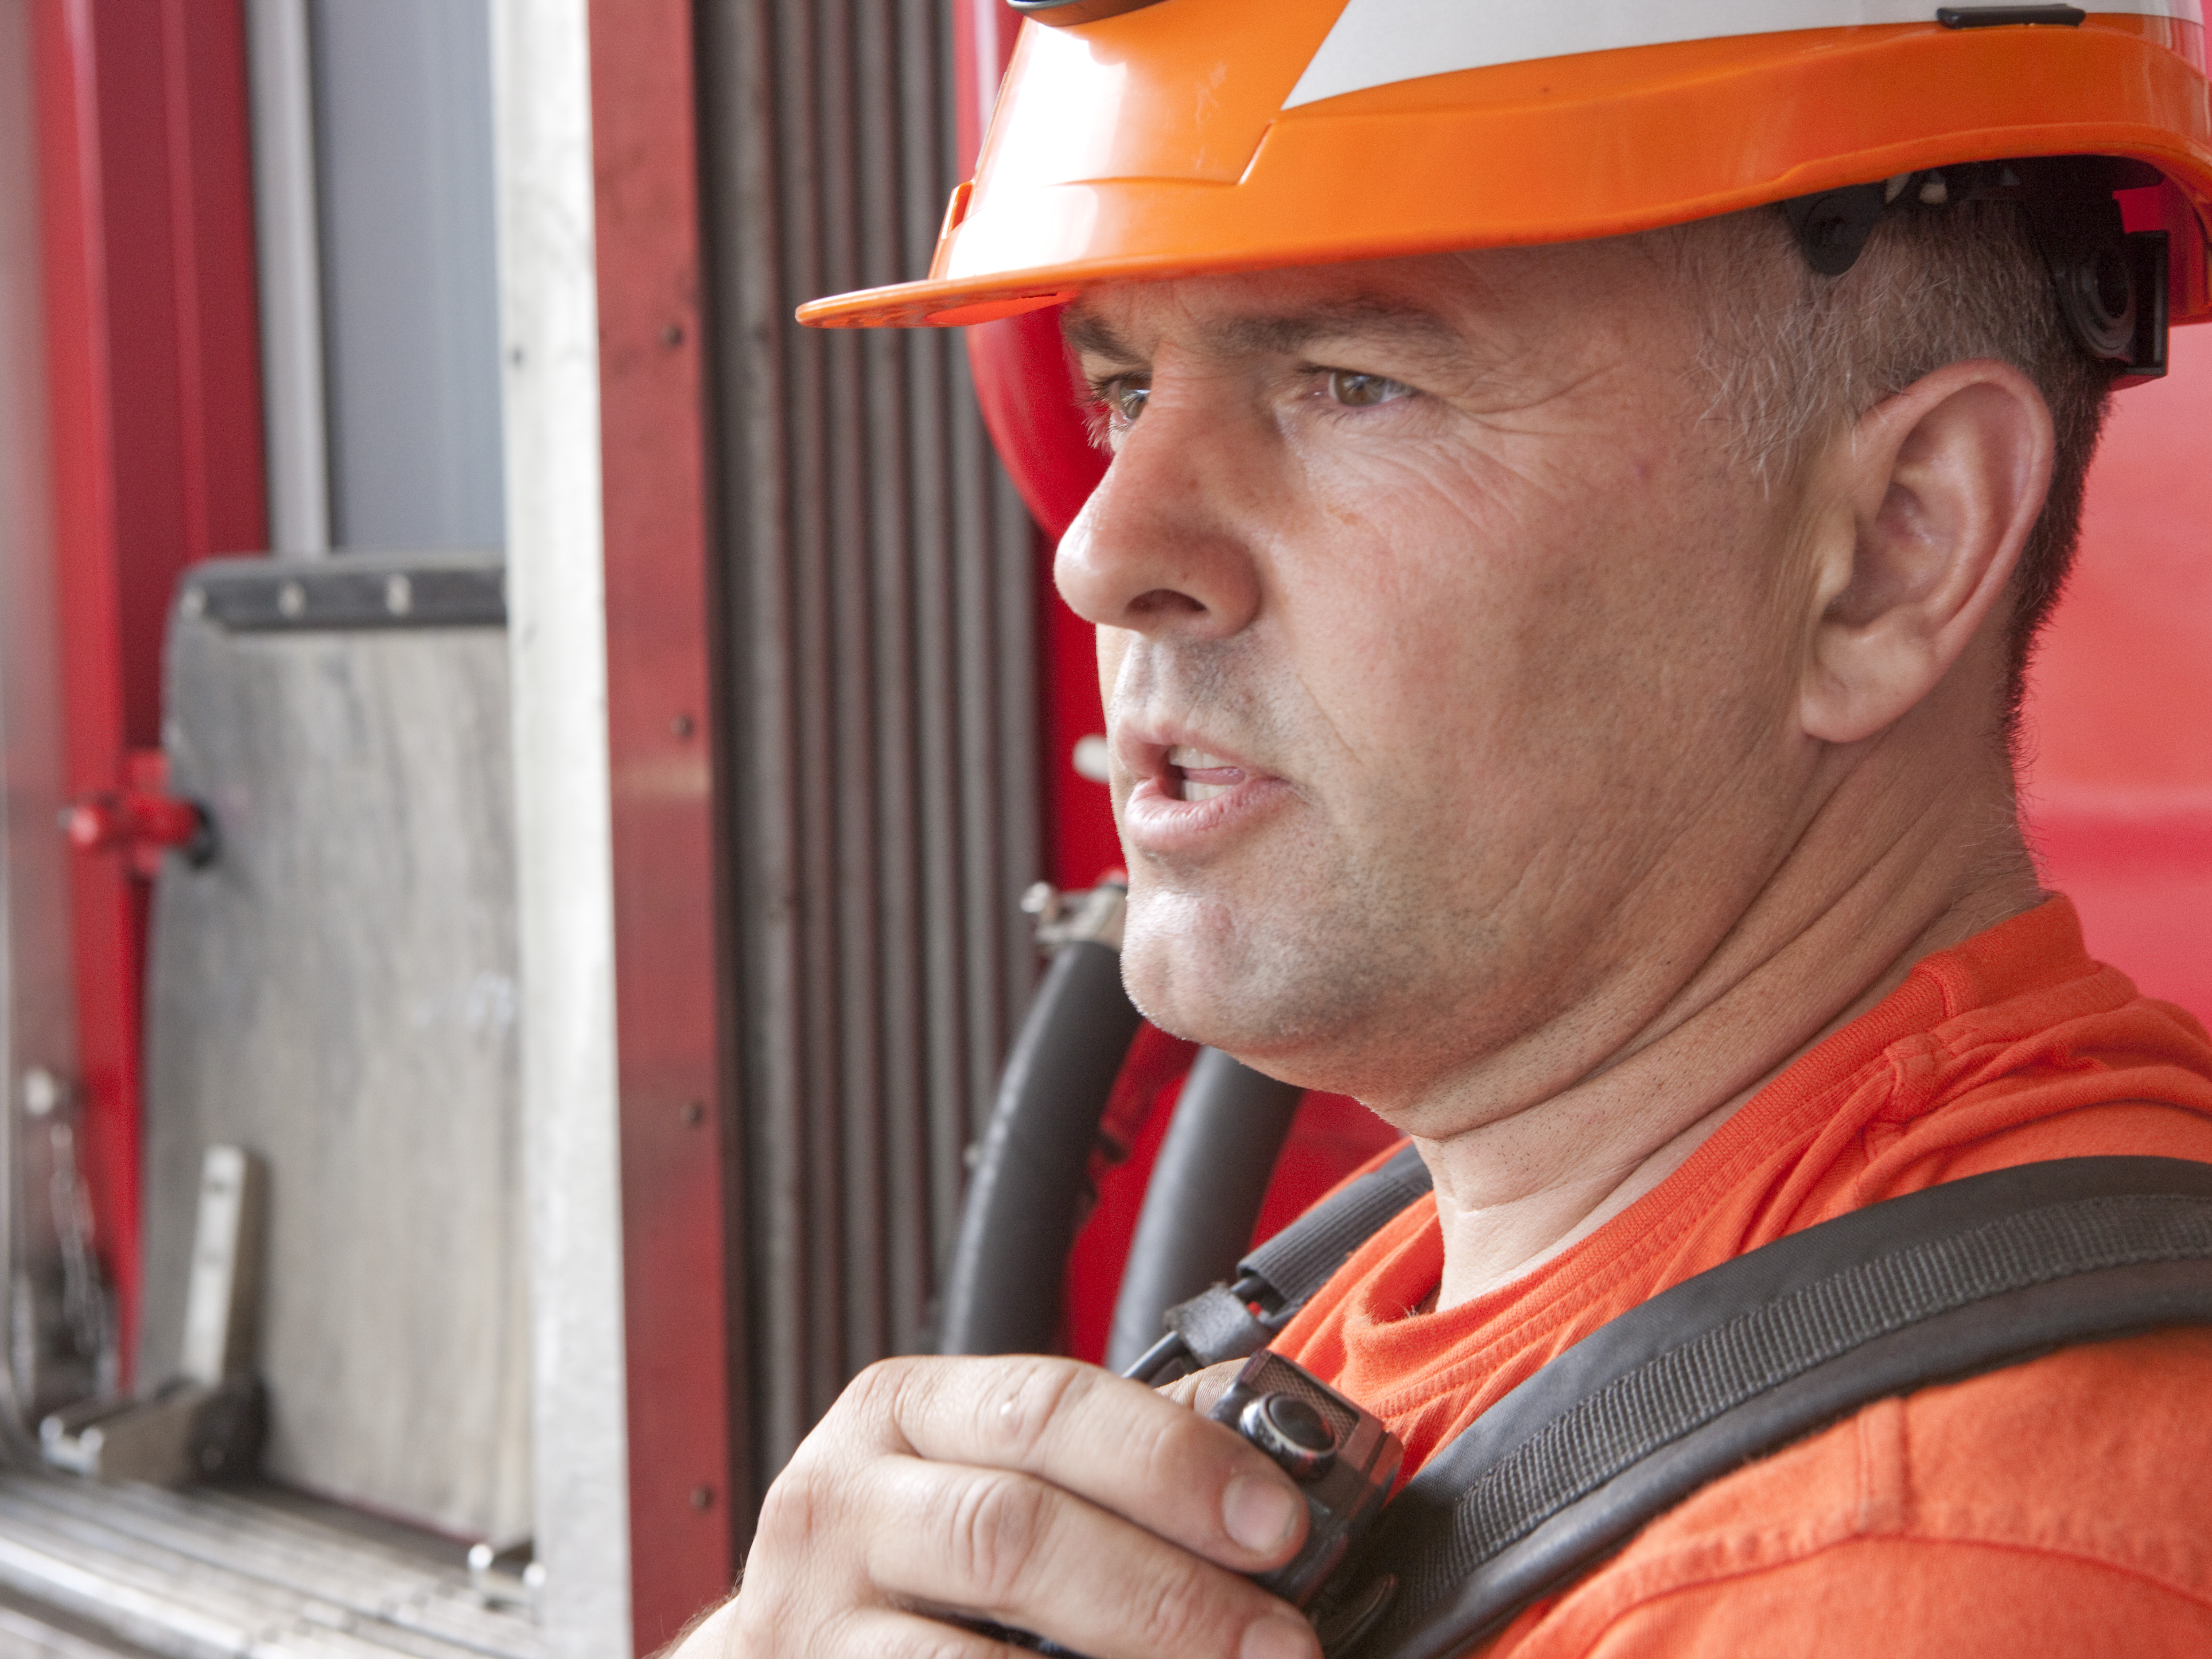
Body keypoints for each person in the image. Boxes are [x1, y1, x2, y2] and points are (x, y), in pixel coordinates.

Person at [677, 4, 2212, 1654]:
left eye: (1354, 381)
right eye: (1125, 388)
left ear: (1897, 549)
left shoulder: (1950, 1565)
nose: (1103, 548)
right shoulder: (1457, 1286)